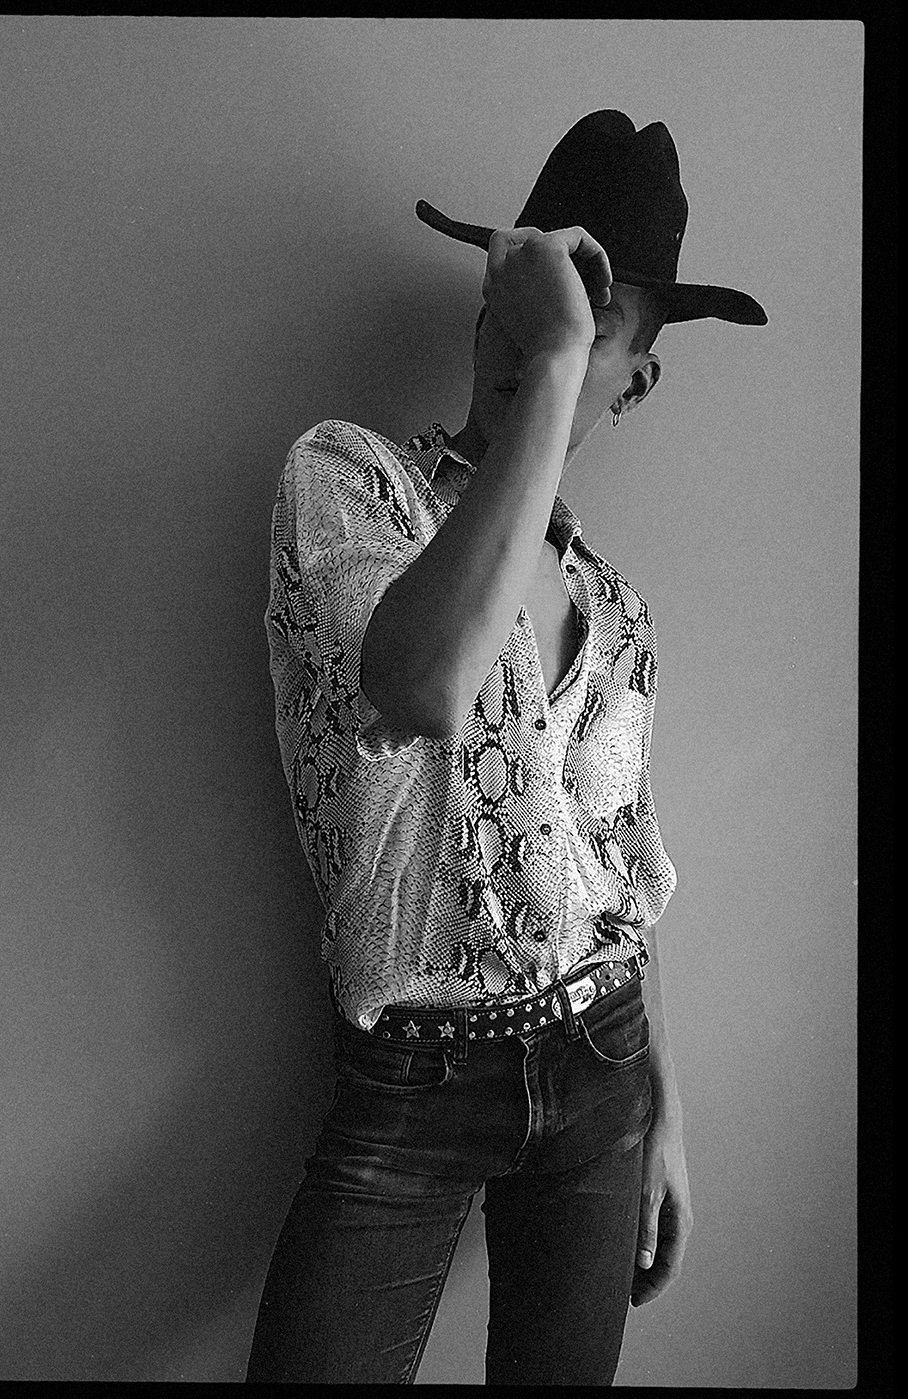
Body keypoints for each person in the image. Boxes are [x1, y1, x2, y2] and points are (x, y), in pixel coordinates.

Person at [247, 109, 767, 1386]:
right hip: (406, 1088)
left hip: (605, 1073)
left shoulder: (620, 616)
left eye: (590, 328)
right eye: (525, 305)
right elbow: (423, 681)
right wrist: (560, 355)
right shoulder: (349, 484)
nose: (536, 343)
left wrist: (666, 1110)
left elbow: (623, 877)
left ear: (636, 383)